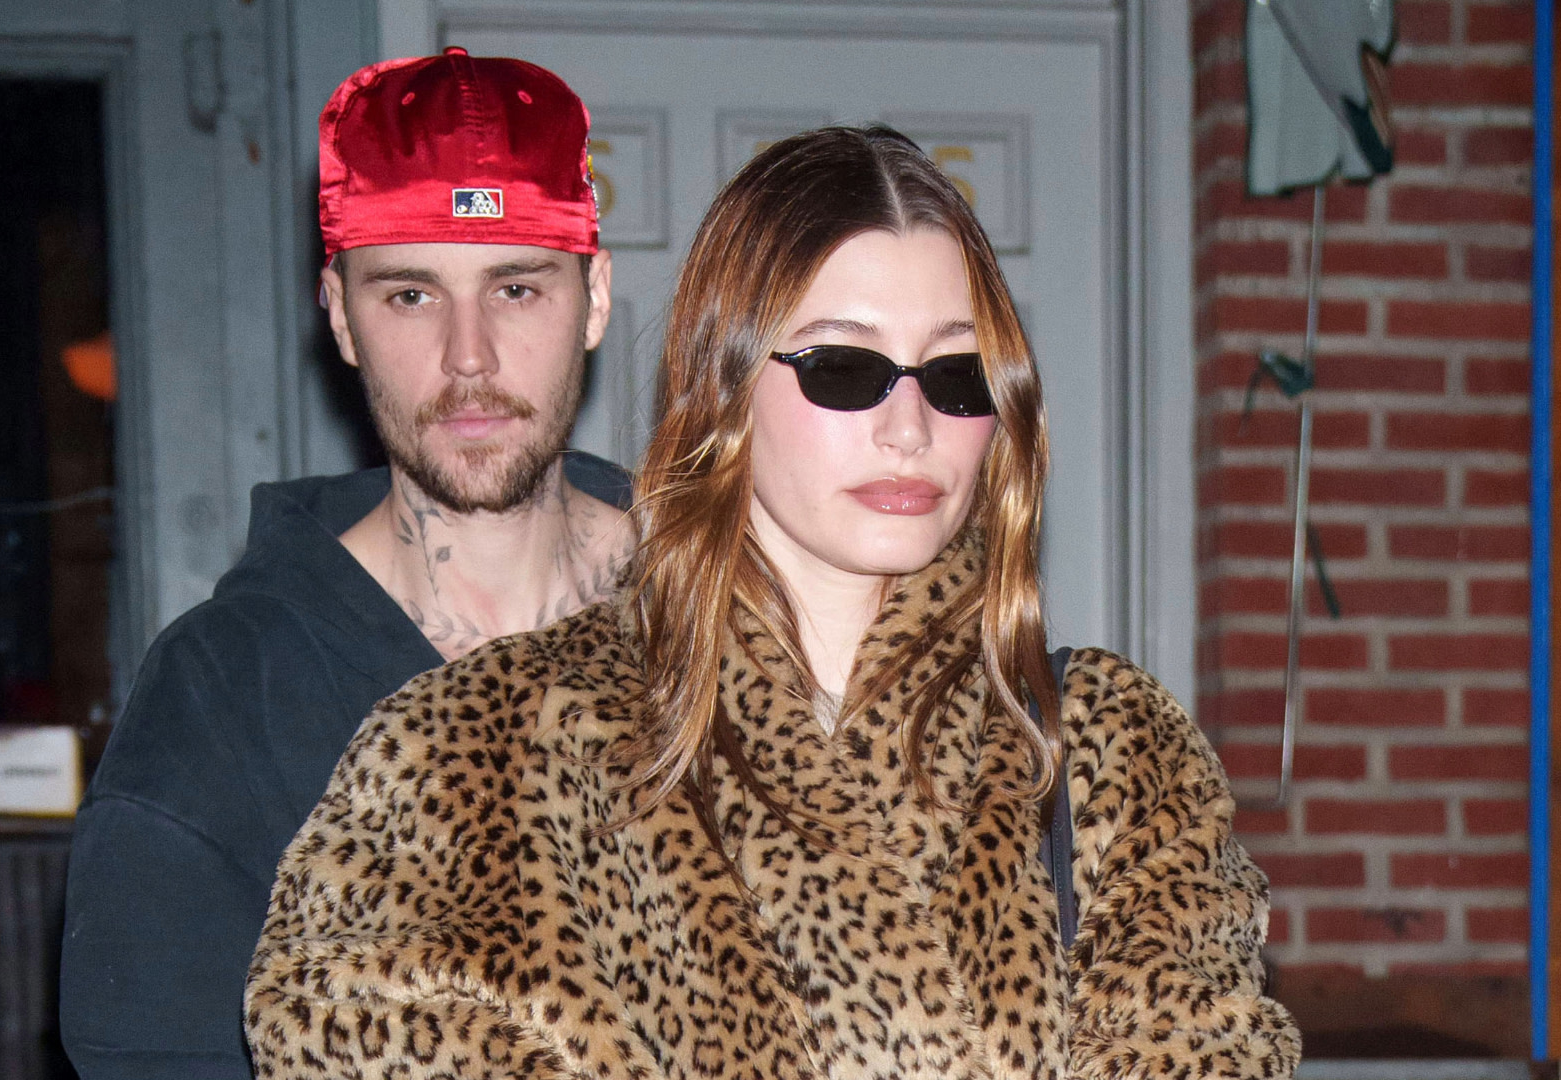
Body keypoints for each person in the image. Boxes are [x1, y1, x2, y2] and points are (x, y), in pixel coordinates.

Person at [246, 126, 1301, 1080]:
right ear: (725, 384)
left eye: (958, 375)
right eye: (845, 369)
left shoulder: (1112, 749)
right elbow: (355, 1027)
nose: (908, 427)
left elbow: (1204, 1049)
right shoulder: (479, 749)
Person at [60, 48, 630, 1079]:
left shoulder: (736, 610)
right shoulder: (225, 696)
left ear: (593, 300)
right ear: (341, 316)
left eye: (515, 287)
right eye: (410, 295)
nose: (469, 356)